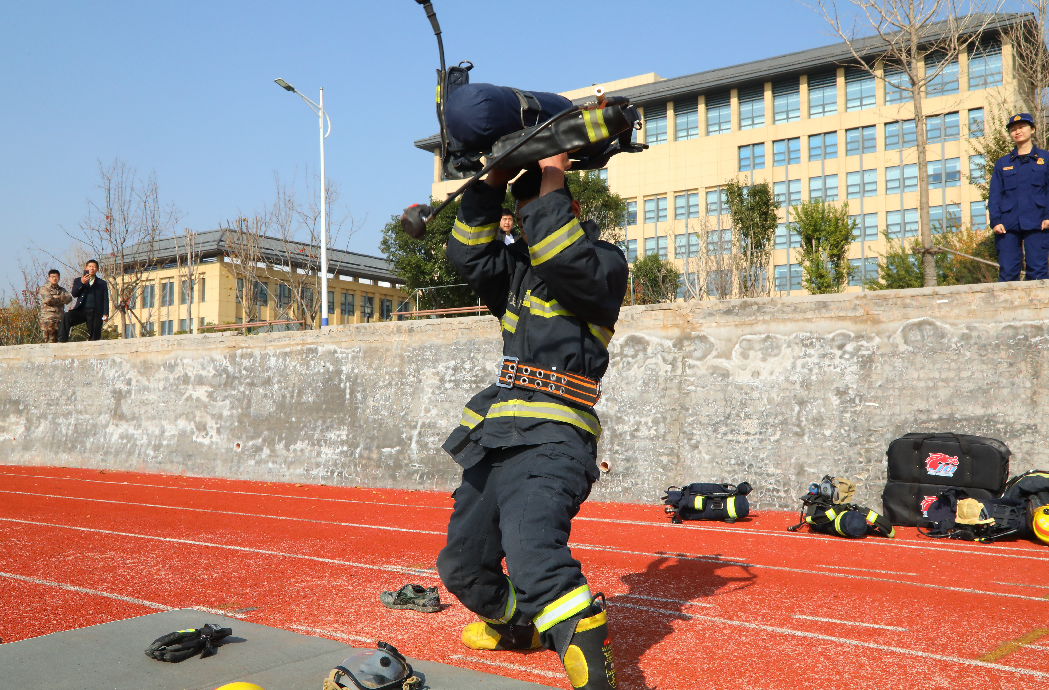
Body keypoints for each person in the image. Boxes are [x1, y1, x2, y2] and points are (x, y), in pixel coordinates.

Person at [435, 154, 628, 690]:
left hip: (555, 438)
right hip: (497, 437)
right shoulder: (517, 273)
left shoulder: (604, 264)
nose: (525, 221)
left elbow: (565, 260)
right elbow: (468, 257)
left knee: (533, 554)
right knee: (462, 567)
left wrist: (553, 177)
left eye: (539, 210)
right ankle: (524, 627)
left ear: (569, 209)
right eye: (523, 212)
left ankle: (596, 681)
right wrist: (490, 185)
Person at [988, 112, 1049, 281]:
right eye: (1013, 129)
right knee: (1007, 271)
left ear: (1033, 129)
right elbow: (994, 195)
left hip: (1038, 222)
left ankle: (1038, 307)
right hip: (1007, 224)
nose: (1017, 131)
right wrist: (995, 221)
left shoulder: (1046, 159)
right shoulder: (1003, 163)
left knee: (1038, 271)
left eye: (1021, 127)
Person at [58, 259, 109, 342]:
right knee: (67, 316)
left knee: (95, 335)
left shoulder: (102, 283)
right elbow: (74, 294)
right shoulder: (78, 280)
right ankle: (62, 340)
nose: (92, 268)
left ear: (97, 269)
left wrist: (105, 313)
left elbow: (105, 299)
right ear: (86, 268)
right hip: (81, 310)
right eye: (90, 266)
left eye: (94, 267)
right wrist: (82, 283)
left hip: (95, 311)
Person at [37, 269, 72, 343]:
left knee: (61, 341)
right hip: (48, 319)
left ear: (59, 278)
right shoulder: (44, 288)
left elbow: (69, 299)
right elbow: (48, 300)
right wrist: (61, 299)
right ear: (49, 278)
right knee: (50, 342)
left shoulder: (62, 290)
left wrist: (57, 297)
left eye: (56, 277)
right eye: (52, 277)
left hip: (60, 319)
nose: (54, 278)